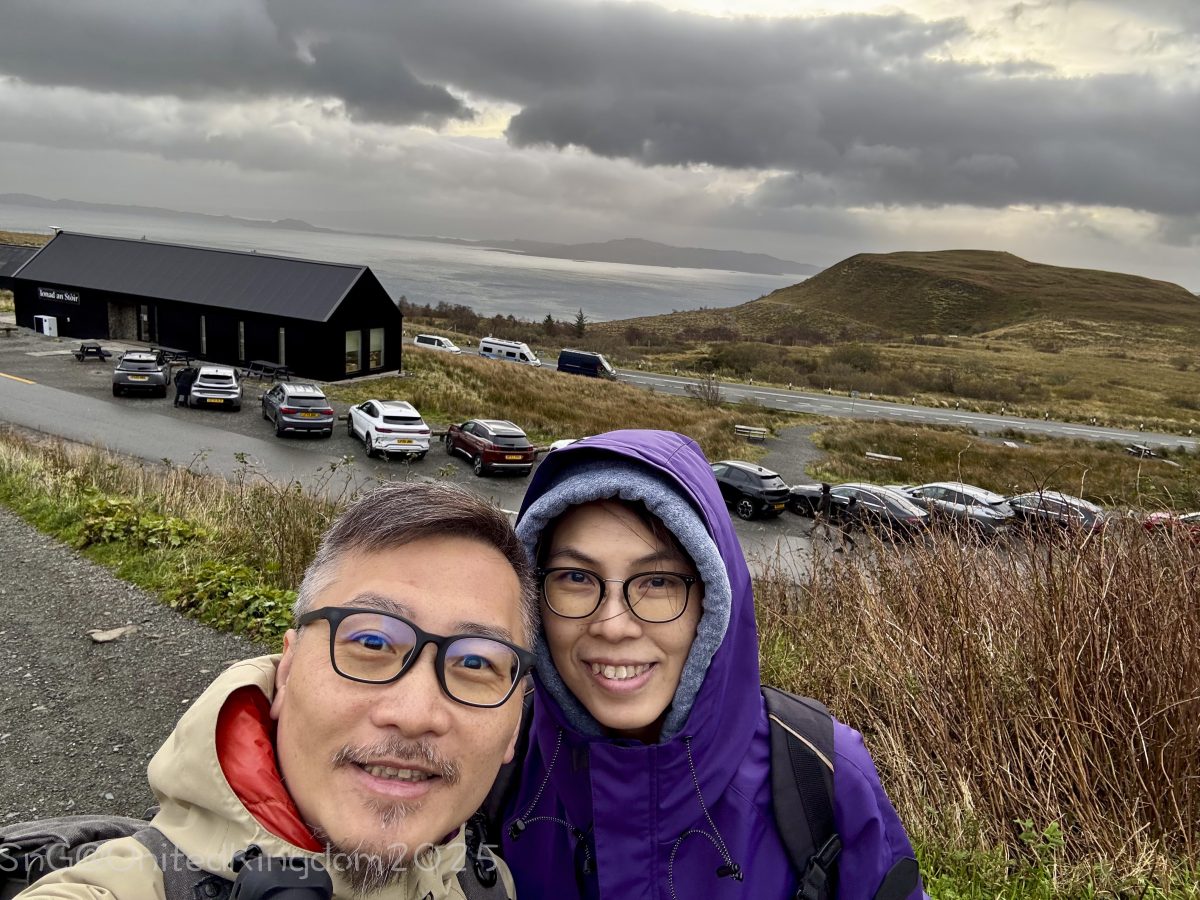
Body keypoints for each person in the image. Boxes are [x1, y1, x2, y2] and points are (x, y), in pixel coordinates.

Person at [20, 482, 536, 899]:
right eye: (372, 642)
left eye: (476, 662)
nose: (415, 712)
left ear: (514, 724)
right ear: (285, 672)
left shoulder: (489, 883)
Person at [492, 430, 924, 900]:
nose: (613, 626)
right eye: (576, 577)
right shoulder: (494, 750)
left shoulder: (824, 775)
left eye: (658, 582)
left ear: (712, 600)